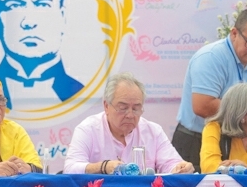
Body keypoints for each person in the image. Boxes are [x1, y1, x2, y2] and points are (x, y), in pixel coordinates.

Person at [174, 8, 247, 171]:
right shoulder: (211, 57)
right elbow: (203, 106)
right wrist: (245, 111)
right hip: (196, 141)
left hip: (234, 145)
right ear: (234, 33)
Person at [0, 0, 83, 109]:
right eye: (14, 5)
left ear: (62, 17)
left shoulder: (82, 93)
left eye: (42, 5)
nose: (28, 22)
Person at [63, 72, 194, 174]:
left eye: (136, 108)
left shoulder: (153, 131)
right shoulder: (88, 129)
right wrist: (103, 167)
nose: (130, 115)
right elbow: (70, 169)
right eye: (123, 108)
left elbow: (171, 164)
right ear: (106, 106)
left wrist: (181, 168)